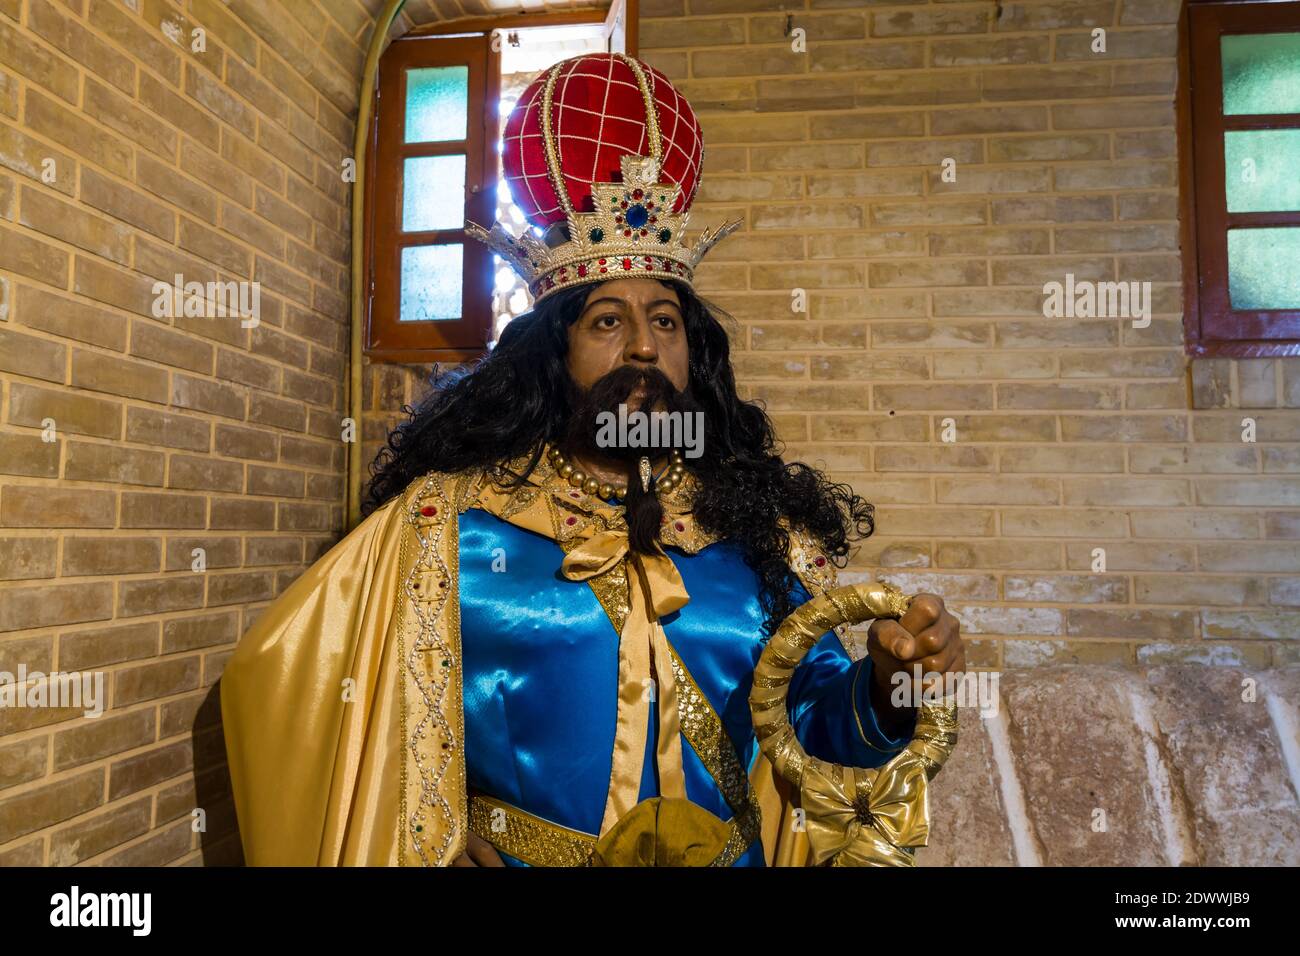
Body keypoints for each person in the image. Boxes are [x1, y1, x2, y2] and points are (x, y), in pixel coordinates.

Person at [220, 52, 963, 867]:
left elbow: (817, 733)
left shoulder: (759, 533)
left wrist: (891, 688)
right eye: (608, 322)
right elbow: (288, 689)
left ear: (695, 354)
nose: (644, 345)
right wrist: (420, 828)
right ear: (553, 352)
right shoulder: (447, 529)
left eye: (668, 324)